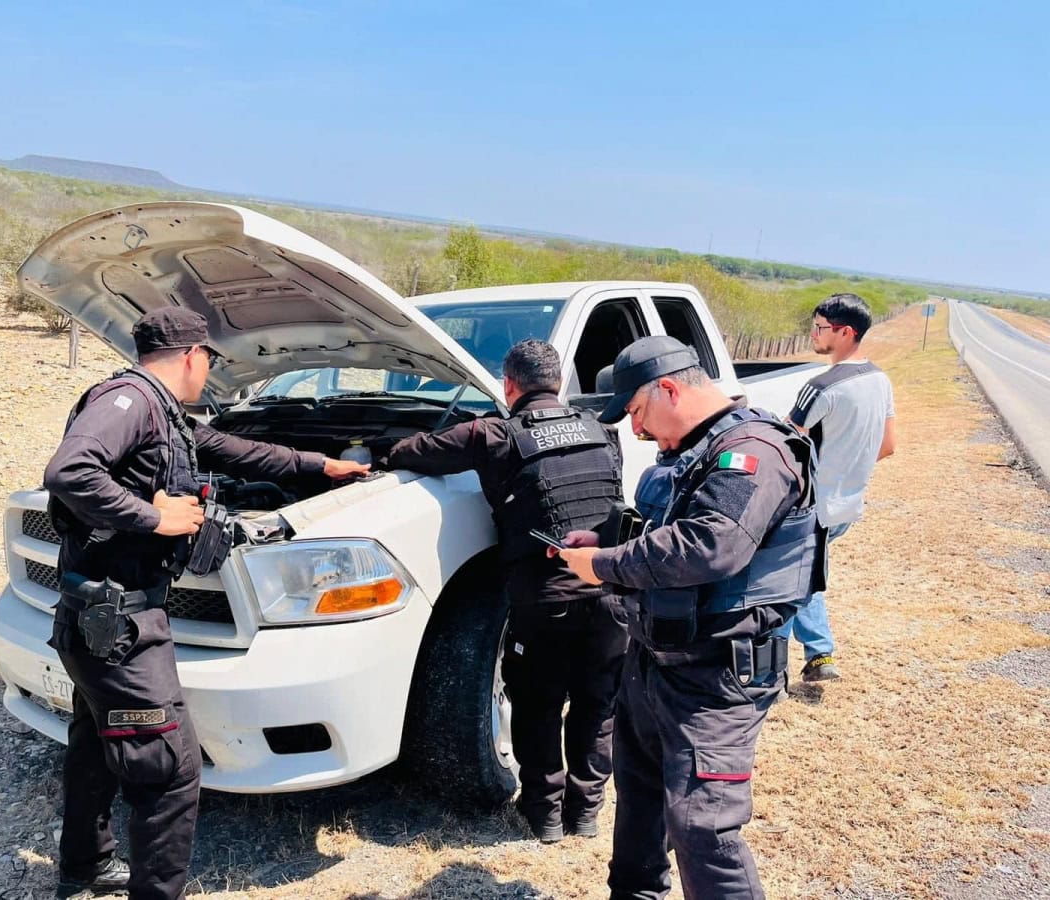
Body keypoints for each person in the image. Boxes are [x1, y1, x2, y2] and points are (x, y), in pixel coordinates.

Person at [43, 307, 369, 900]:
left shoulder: (164, 415)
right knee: (171, 773)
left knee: (96, 744)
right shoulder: (130, 403)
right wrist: (156, 517)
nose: (208, 370)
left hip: (98, 624)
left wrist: (322, 465)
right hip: (121, 630)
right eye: (209, 360)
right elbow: (69, 471)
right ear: (193, 356)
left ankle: (84, 867)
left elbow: (238, 451)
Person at [557, 335, 821, 900]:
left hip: (716, 678)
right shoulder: (693, 451)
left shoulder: (754, 451)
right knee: (640, 805)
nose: (636, 431)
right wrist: (604, 535)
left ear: (670, 389)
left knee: (704, 827)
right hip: (653, 661)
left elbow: (710, 545)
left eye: (635, 413)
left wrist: (602, 564)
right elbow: (662, 523)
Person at [381, 339, 627, 842]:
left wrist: (387, 447)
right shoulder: (602, 430)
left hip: (546, 603)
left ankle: (544, 816)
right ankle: (586, 813)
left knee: (537, 706)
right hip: (612, 595)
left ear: (508, 385)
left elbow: (414, 453)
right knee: (596, 704)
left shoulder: (492, 435)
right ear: (559, 384)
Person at [781, 292, 897, 681]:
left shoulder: (822, 387)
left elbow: (784, 447)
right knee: (806, 574)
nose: (813, 334)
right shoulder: (879, 380)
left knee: (781, 581)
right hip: (846, 506)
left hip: (809, 507)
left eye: (820, 328)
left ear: (845, 332)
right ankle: (819, 654)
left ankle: (773, 669)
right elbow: (887, 446)